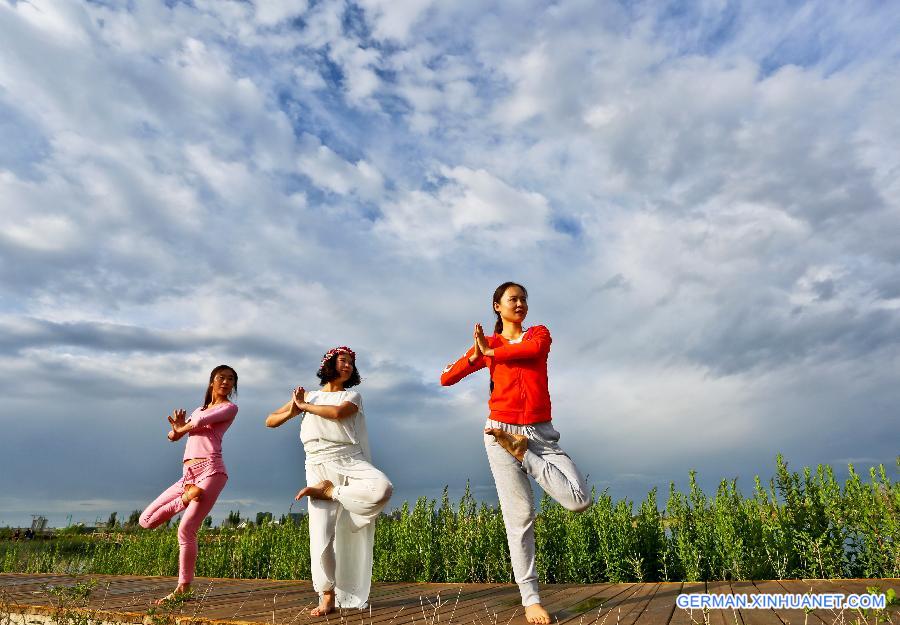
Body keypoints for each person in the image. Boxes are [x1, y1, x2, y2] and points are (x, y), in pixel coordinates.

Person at [440, 282, 591, 624]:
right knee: (520, 517)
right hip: (500, 431)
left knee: (578, 499)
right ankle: (531, 599)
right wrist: (476, 355)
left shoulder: (538, 334)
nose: (520, 303)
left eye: (524, 298)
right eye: (513, 299)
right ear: (497, 306)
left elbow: (531, 352)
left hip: (541, 436)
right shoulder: (488, 344)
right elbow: (446, 378)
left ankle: (524, 455)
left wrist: (491, 354)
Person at [266, 347, 392, 616]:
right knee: (322, 534)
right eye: (343, 361)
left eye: (351, 363)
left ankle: (332, 492)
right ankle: (326, 596)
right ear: (329, 364)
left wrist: (304, 407)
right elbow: (270, 421)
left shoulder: (352, 396)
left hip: (349, 459)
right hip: (317, 463)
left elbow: (337, 414)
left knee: (382, 489)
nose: (347, 366)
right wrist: (294, 408)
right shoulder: (308, 397)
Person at [139, 365, 238, 604]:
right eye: (221, 378)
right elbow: (174, 437)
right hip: (187, 477)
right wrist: (176, 429)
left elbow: (201, 421)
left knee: (186, 530)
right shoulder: (198, 409)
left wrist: (184, 427)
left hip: (211, 471)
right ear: (211, 382)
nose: (226, 382)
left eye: (231, 380)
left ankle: (183, 587)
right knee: (145, 521)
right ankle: (186, 496)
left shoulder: (229, 408)